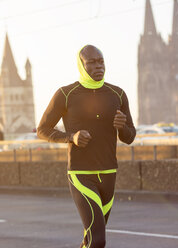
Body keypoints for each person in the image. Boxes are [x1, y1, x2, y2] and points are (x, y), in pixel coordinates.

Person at [37, 45, 136, 248]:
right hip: (81, 174)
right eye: (91, 62)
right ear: (81, 65)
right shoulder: (66, 94)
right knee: (98, 240)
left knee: (90, 239)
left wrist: (122, 128)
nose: (98, 66)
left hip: (109, 173)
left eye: (101, 61)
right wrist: (71, 137)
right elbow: (42, 130)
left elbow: (130, 136)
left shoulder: (117, 94)